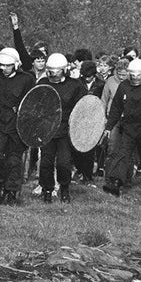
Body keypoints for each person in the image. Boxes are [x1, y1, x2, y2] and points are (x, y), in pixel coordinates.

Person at [0, 46, 35, 205]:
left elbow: (33, 103)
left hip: (18, 126)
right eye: (1, 65)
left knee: (14, 159)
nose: (4, 68)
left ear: (15, 65)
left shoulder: (26, 79)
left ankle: (11, 191)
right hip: (0, 123)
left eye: (7, 65)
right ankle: (1, 183)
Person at [102, 58, 141, 198]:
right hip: (128, 126)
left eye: (138, 75)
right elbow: (116, 107)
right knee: (123, 154)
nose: (135, 78)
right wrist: (109, 126)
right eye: (132, 75)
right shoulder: (124, 86)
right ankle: (116, 183)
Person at [35, 54, 87, 203]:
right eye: (50, 70)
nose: (53, 73)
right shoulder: (43, 83)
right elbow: (35, 104)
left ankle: (64, 188)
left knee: (63, 162)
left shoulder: (75, 85)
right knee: (46, 162)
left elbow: (82, 108)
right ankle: (47, 189)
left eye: (56, 70)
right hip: (47, 129)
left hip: (66, 130)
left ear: (64, 70)